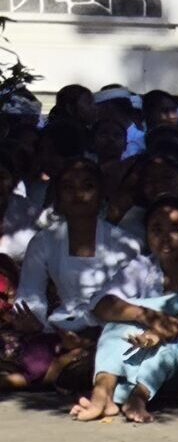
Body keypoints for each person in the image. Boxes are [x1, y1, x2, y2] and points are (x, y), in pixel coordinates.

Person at [76, 198, 178, 422]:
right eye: (156, 229)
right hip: (141, 348)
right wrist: (148, 317)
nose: (165, 236)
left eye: (176, 229)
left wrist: (161, 331)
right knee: (116, 322)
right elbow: (102, 303)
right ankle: (102, 394)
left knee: (177, 310)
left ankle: (138, 397)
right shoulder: (143, 265)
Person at [14, 156, 140, 396]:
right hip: (60, 330)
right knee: (34, 358)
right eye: (68, 188)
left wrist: (93, 333)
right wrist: (35, 322)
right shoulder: (44, 241)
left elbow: (132, 299)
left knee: (118, 352)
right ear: (58, 196)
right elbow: (31, 291)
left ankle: (64, 368)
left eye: (87, 186)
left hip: (110, 329)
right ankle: (67, 366)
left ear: (102, 193)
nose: (77, 194)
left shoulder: (126, 242)